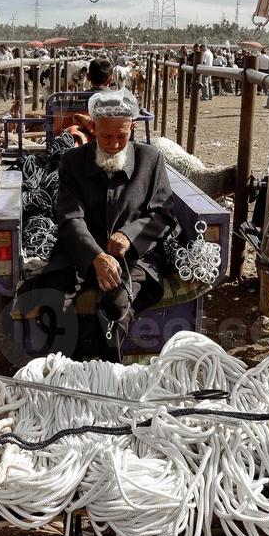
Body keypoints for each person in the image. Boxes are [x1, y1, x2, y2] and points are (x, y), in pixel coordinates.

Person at [17, 90, 175, 360]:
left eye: (122, 136)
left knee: (115, 306)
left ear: (133, 129)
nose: (114, 144)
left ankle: (108, 375)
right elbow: (70, 218)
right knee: (53, 300)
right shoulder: (73, 162)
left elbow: (163, 214)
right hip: (79, 252)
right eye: (107, 137)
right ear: (93, 128)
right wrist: (96, 256)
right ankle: (65, 371)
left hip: (133, 257)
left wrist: (129, 235)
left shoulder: (151, 160)